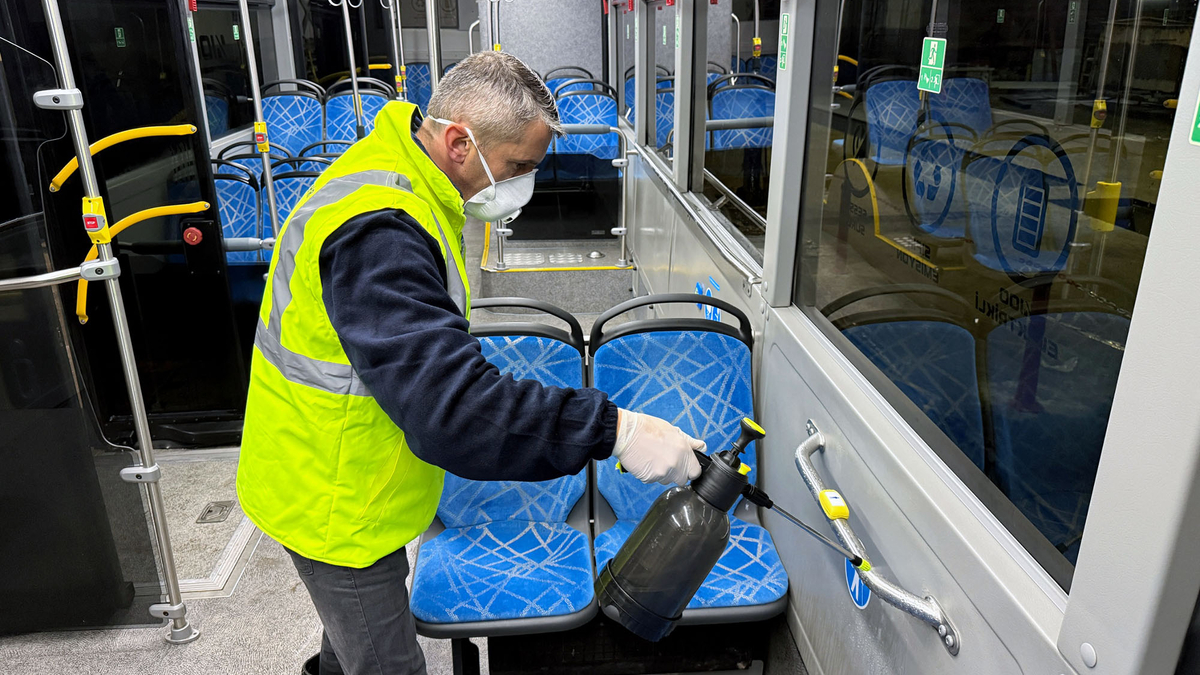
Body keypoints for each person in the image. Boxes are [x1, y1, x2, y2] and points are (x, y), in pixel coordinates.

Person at [235, 51, 705, 675]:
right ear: (460, 141)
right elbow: (452, 410)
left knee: (348, 647)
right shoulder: (380, 229)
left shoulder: (406, 171)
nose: (524, 185)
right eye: (518, 167)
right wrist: (615, 430)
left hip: (353, 473)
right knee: (388, 665)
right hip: (331, 501)